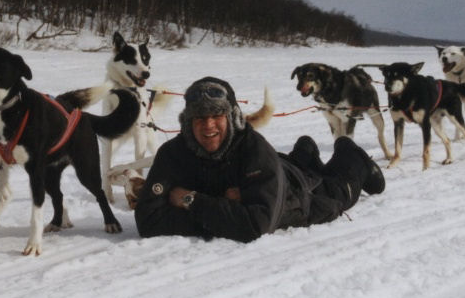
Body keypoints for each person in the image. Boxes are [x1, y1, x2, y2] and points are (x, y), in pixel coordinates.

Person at [134, 76, 385, 242]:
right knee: (293, 164)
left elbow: (255, 226)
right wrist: (225, 209)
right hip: (273, 171)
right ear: (188, 122)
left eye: (216, 115)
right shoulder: (173, 154)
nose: (207, 125)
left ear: (231, 118)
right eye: (199, 118)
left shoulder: (255, 149)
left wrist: (190, 200)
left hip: (296, 191)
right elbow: (148, 222)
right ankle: (305, 152)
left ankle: (350, 152)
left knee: (340, 192)